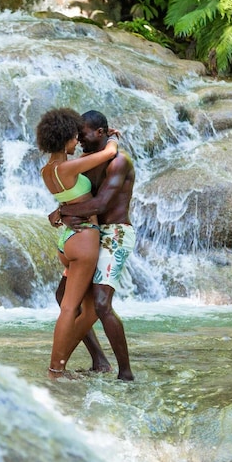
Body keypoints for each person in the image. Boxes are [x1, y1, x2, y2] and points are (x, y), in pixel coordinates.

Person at [49, 110, 136, 381]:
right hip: (92, 230)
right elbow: (79, 195)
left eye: (82, 134)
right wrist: (62, 208)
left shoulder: (119, 162)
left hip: (115, 233)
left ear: (100, 133)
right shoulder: (89, 158)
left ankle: (126, 373)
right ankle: (99, 360)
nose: (79, 139)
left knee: (100, 303)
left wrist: (62, 213)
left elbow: (100, 204)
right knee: (64, 297)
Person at [36, 108, 119, 379]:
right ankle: (56, 370)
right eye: (74, 137)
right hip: (84, 240)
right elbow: (107, 154)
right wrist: (114, 139)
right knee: (71, 308)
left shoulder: (47, 170)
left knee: (76, 305)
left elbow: (80, 169)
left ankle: (90, 362)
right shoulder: (70, 167)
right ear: (64, 139)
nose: (77, 141)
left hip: (67, 242)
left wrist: (60, 212)